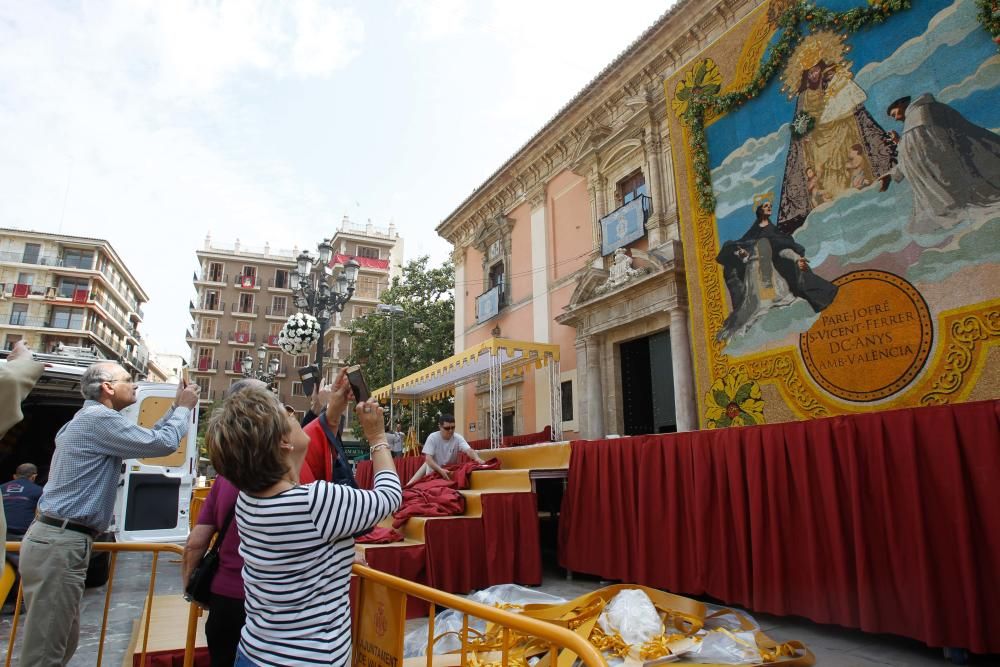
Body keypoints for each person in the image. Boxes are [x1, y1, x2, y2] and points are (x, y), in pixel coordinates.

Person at [18, 362, 199, 667]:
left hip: (57, 542)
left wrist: (174, 407)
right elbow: (163, 443)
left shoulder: (92, 420)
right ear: (108, 387)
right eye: (129, 380)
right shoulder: (99, 420)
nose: (136, 386)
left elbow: (149, 438)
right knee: (45, 651)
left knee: (61, 642)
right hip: (60, 544)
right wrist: (183, 409)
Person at [206, 385, 401, 666]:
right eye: (287, 414)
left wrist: (332, 410)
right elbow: (389, 497)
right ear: (284, 442)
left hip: (254, 653)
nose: (292, 412)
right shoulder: (316, 502)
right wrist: (378, 437)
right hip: (310, 658)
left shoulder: (248, 501)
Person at [182, 379, 262, 667]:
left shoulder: (224, 479)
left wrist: (191, 587)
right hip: (267, 604)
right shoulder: (280, 477)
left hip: (225, 598)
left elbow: (196, 542)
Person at [716, 199, 838, 341]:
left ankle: (740, 327)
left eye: (770, 206)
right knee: (746, 298)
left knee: (756, 306)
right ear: (759, 209)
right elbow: (744, 246)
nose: (769, 209)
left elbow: (783, 248)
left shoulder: (773, 232)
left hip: (772, 274)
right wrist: (742, 254)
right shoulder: (753, 232)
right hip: (754, 273)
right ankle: (736, 327)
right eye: (766, 206)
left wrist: (797, 259)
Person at [883, 94, 1000, 232]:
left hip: (951, 172)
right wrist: (899, 143)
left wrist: (893, 173)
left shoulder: (919, 115)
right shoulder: (927, 110)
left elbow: (916, 153)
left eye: (894, 114)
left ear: (902, 104)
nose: (896, 118)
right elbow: (914, 150)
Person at [0, 342, 44, 568]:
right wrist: (23, 362)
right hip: (21, 538)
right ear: (34, 476)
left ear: (15, 476)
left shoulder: (3, 488)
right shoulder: (38, 491)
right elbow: (9, 382)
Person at [406, 414, 485, 486]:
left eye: (453, 427)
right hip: (433, 476)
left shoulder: (457, 438)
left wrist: (477, 458)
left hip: (448, 475)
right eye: (447, 428)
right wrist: (440, 470)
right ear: (440, 427)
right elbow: (428, 459)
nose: (450, 431)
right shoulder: (432, 437)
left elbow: (469, 450)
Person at [2, 463, 43, 539]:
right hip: (25, 536)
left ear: (14, 476)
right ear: (34, 477)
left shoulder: (1, 488)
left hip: (2, 534)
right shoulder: (40, 491)